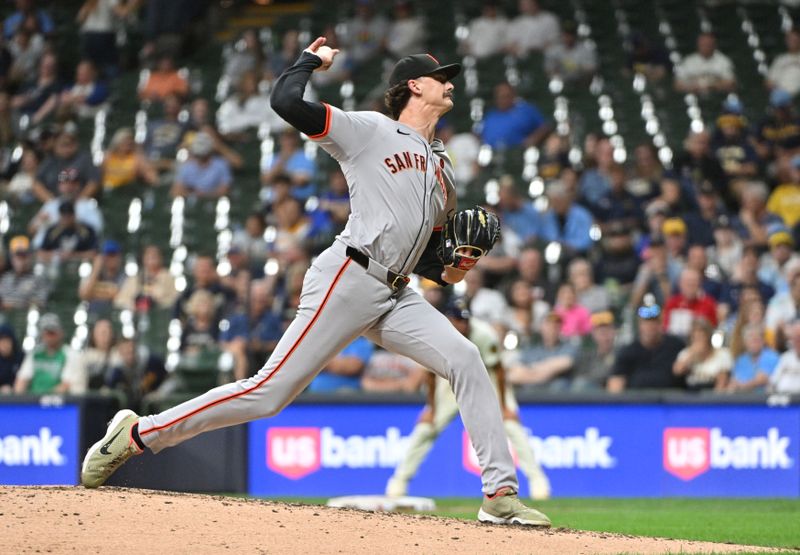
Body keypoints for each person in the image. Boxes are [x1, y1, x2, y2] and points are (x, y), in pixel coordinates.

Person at [82, 37, 551, 527]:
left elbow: (432, 260)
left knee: (467, 359)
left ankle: (499, 494)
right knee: (267, 394)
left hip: (395, 291)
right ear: (414, 85)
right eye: (441, 77)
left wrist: (460, 263)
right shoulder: (370, 130)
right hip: (349, 275)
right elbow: (286, 102)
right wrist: (310, 62)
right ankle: (138, 434)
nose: (450, 83)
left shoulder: (442, 168)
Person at [386, 299, 551, 501]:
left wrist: (504, 406)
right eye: (457, 320)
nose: (462, 325)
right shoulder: (436, 331)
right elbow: (429, 374)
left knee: (512, 426)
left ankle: (538, 482)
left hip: (487, 377)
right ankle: (399, 482)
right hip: (448, 379)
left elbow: (498, 369)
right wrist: (431, 408)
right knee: (427, 428)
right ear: (448, 319)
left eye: (464, 320)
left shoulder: (483, 333)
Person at [607, 304, 685, 392]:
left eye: (654, 322)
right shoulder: (628, 351)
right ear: (640, 325)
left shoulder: (675, 346)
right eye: (646, 322)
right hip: (637, 402)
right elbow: (615, 385)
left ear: (661, 324)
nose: (650, 326)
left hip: (672, 402)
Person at [220, 279, 283, 380]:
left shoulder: (272, 319)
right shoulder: (237, 318)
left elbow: (281, 343)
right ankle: (239, 384)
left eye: (262, 298)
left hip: (263, 359)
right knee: (234, 352)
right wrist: (237, 345)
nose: (258, 301)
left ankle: (240, 386)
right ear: (248, 298)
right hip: (237, 356)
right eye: (255, 298)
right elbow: (223, 342)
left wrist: (261, 346)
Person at [13, 313, 86, 394]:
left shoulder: (71, 354)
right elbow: (21, 381)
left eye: (52, 333)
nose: (49, 337)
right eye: (46, 333)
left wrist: (43, 399)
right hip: (33, 402)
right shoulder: (35, 354)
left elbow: (65, 385)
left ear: (61, 333)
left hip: (60, 403)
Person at [506, 312, 577, 391]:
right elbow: (512, 376)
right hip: (531, 398)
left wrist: (529, 370)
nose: (552, 328)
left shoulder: (569, 347)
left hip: (558, 398)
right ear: (541, 327)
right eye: (548, 325)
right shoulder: (531, 350)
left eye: (556, 326)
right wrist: (542, 372)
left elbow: (564, 363)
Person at [480, 82, 549, 149]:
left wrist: (533, 139)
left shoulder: (526, 110)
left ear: (513, 96)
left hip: (519, 152)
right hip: (493, 154)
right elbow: (479, 134)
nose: (504, 100)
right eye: (500, 97)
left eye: (507, 96)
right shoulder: (490, 116)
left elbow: (544, 127)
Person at [672, 318, 732, 391]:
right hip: (690, 396)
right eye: (695, 338)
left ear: (708, 337)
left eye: (701, 337)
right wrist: (691, 354)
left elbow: (722, 383)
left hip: (711, 395)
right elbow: (677, 371)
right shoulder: (686, 353)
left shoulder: (722, 354)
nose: (698, 342)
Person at [114, 244, 178, 311]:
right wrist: (135, 305)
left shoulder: (168, 277)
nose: (151, 257)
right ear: (143, 258)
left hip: (161, 316)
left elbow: (175, 300)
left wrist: (157, 303)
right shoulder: (136, 278)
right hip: (137, 317)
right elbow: (119, 301)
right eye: (148, 254)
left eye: (154, 254)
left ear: (160, 257)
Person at [170, 132, 232, 199]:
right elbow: (175, 191)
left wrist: (204, 195)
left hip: (213, 203)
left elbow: (224, 190)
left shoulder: (221, 164)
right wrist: (192, 194)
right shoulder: (187, 166)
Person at [663, 267, 718, 339]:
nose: (690, 286)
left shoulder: (708, 303)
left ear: (699, 284)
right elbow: (666, 328)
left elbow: (713, 329)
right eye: (687, 282)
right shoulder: (672, 302)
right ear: (680, 284)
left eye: (693, 282)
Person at [307, 336, 374, 393]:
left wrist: (323, 362)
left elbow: (353, 367)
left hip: (347, 397)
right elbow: (309, 362)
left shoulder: (361, 342)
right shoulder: (323, 341)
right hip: (315, 398)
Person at [78, 239, 126, 314]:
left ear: (119, 257)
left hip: (113, 315)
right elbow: (84, 295)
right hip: (92, 314)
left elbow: (119, 298)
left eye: (113, 255)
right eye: (107, 255)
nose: (110, 258)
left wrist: (94, 295)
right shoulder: (92, 274)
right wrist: (96, 270)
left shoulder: (124, 276)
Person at [0, 235, 48, 309]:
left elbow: (40, 303)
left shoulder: (38, 279)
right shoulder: (6, 278)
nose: (20, 260)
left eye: (24, 255)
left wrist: (11, 305)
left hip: (23, 318)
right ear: (11, 258)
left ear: (30, 257)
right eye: (17, 255)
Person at [728, 324, 779, 393]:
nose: (754, 343)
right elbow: (733, 383)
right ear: (745, 342)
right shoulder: (741, 360)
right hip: (743, 399)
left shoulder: (772, 356)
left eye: (756, 339)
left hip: (764, 399)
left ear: (763, 340)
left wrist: (742, 385)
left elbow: (762, 380)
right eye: (750, 339)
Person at [544, 20, 597, 85]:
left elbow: (591, 69)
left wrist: (576, 67)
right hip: (561, 83)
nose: (568, 37)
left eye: (571, 34)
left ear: (575, 35)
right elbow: (548, 70)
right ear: (562, 35)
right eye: (566, 34)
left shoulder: (586, 49)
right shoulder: (554, 50)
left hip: (581, 82)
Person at [81, 318, 122, 391]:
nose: (105, 336)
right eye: (101, 332)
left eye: (107, 332)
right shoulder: (85, 356)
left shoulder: (118, 355)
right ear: (93, 335)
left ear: (112, 334)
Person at [767, 29, 800, 97]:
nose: (792, 42)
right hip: (782, 98)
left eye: (794, 39)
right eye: (789, 39)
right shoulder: (780, 59)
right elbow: (769, 82)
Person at [770, 320, 800, 394]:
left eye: (799, 338)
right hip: (783, 400)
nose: (797, 341)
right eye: (795, 338)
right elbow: (773, 381)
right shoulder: (785, 357)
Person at [0, 324, 23, 392]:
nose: (4, 344)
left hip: (18, 397)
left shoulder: (21, 357)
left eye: (7, 340)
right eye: (1, 340)